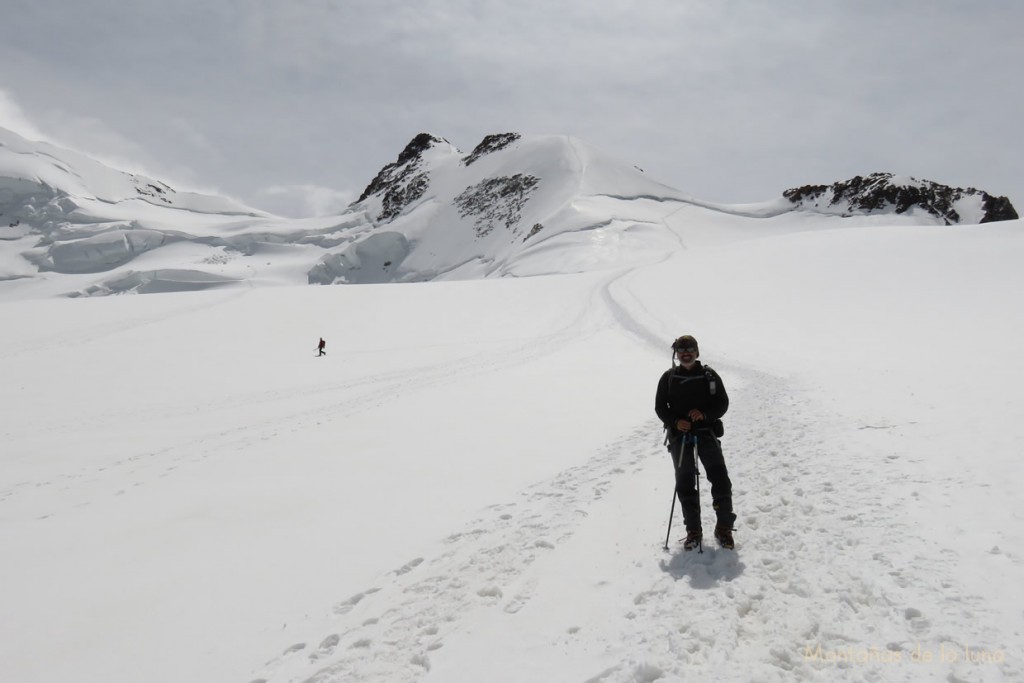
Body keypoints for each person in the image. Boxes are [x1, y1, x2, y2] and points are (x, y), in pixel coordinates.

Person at [655, 335, 736, 550]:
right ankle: (693, 530)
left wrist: (705, 415)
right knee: (685, 482)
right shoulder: (668, 378)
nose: (686, 353)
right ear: (676, 354)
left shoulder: (709, 376)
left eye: (690, 349)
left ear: (697, 352)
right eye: (681, 350)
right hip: (680, 436)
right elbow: (660, 408)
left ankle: (724, 527)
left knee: (720, 479)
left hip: (706, 433)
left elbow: (722, 403)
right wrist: (675, 421)